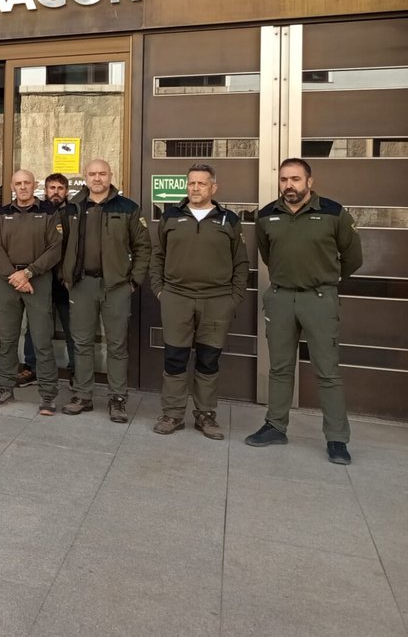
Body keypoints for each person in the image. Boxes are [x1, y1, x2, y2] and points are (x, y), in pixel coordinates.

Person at [246, 158, 363, 465]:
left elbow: (353, 257)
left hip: (319, 298)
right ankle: (275, 425)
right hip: (281, 298)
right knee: (280, 368)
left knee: (327, 371)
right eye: (284, 179)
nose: (289, 186)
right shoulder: (267, 215)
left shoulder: (333, 213)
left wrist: (326, 278)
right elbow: (268, 255)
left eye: (296, 179)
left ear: (310, 182)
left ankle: (337, 438)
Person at [150, 164, 248, 440]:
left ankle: (205, 414)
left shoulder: (228, 220)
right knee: (175, 358)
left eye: (201, 184)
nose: (195, 188)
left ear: (213, 188)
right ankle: (173, 413)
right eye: (191, 183)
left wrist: (233, 298)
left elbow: (241, 262)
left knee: (208, 360)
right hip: (177, 298)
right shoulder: (170, 217)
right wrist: (160, 291)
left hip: (217, 301)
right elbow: (157, 256)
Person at [60, 159, 150, 423]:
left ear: (111, 176)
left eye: (102, 173)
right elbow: (59, 245)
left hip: (117, 286)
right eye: (92, 174)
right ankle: (83, 396)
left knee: (117, 345)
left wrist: (134, 281)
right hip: (82, 285)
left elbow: (143, 247)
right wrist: (65, 277)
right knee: (82, 343)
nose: (97, 178)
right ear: (85, 177)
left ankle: (118, 398)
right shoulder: (72, 208)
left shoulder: (128, 208)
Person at [0, 170, 64, 414]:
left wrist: (29, 273)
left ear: (34, 185)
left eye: (27, 183)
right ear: (12, 186)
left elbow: (55, 248)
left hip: (37, 280)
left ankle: (48, 394)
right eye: (18, 183)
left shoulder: (49, 213)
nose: (22, 187)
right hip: (8, 279)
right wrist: (14, 275)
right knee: (8, 338)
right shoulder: (1, 214)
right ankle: (4, 387)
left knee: (42, 339)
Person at [20, 173, 76, 386]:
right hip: (40, 277)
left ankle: (75, 372)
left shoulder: (74, 213)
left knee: (73, 328)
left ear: (66, 191)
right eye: (51, 187)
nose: (55, 192)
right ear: (45, 190)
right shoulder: (38, 210)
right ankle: (31, 368)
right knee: (34, 327)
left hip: (66, 282)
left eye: (60, 188)